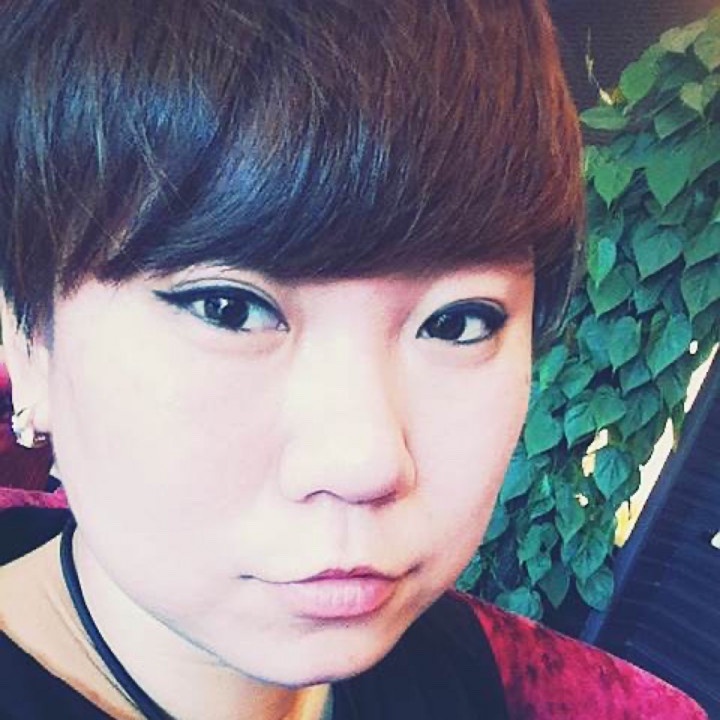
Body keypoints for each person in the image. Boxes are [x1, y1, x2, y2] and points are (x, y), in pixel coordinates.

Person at [0, 1, 707, 718]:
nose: (365, 464)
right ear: (30, 341)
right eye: (227, 308)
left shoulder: (453, 668)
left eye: (457, 323)